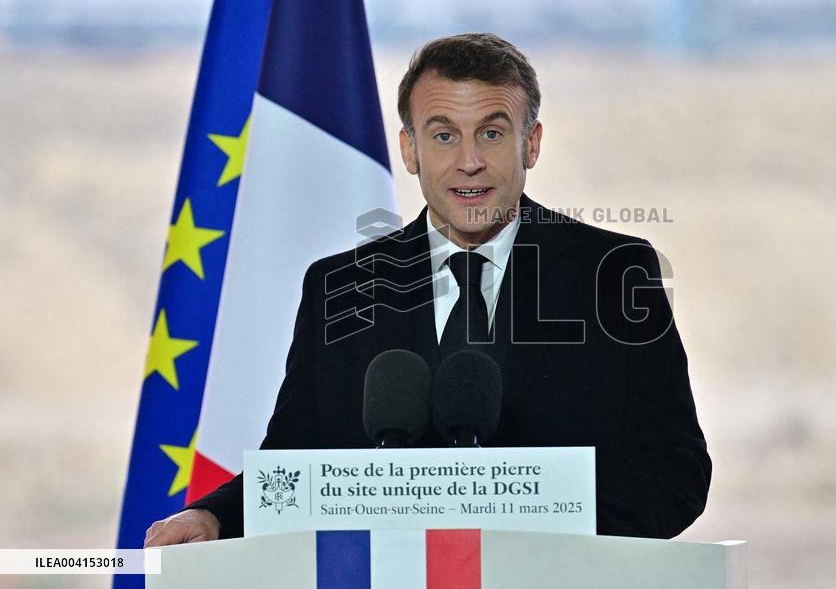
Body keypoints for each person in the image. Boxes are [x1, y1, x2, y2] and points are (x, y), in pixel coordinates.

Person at [145, 33, 711, 547]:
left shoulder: (614, 272)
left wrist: (553, 550)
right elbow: (297, 456)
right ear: (410, 149)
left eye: (491, 132)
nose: (469, 162)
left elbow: (672, 466)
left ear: (530, 144)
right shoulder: (340, 286)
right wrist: (216, 516)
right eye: (443, 135)